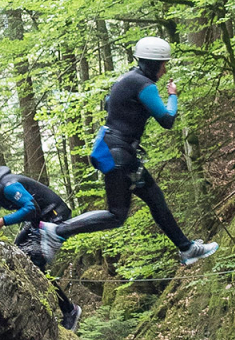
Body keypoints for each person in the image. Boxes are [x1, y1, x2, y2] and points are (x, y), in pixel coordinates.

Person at [33, 37, 218, 267]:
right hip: (120, 155)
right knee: (116, 214)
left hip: (120, 153)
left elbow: (111, 106)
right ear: (152, 63)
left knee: (156, 200)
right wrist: (173, 96)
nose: (165, 69)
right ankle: (57, 230)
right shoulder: (144, 85)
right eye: (163, 64)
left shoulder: (127, 79)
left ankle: (186, 248)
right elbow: (168, 120)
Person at [0, 157, 83, 330]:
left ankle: (69, 310)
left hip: (55, 217)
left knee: (33, 264)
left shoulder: (9, 186)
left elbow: (31, 207)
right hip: (37, 221)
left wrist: (4, 221)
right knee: (17, 255)